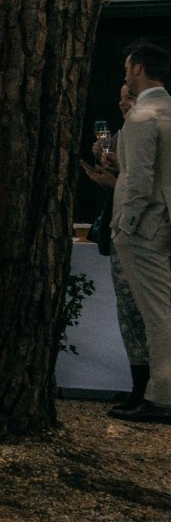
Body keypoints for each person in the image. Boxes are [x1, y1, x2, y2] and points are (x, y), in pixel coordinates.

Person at [108, 42, 171, 425]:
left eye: (128, 67)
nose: (125, 73)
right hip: (166, 222)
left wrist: (124, 224)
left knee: (157, 314)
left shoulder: (142, 116)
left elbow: (138, 181)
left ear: (138, 70)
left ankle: (161, 396)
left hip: (145, 229)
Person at [82, 85, 153, 407]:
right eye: (121, 96)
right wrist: (110, 171)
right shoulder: (126, 135)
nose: (121, 102)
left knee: (143, 317)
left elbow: (146, 189)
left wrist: (114, 181)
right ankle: (139, 389)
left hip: (142, 238)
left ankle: (151, 392)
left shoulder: (151, 134)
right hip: (120, 234)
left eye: (129, 96)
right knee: (127, 316)